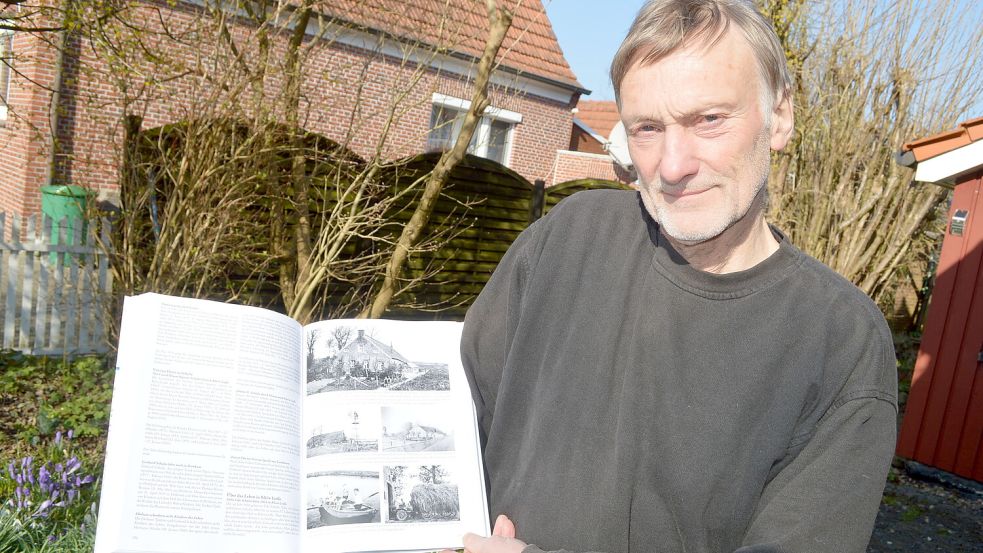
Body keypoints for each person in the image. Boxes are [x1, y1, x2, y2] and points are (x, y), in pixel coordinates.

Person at [456, 1, 897, 552]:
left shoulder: (840, 340)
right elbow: (453, 415)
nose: (671, 165)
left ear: (779, 116)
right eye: (646, 128)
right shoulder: (565, 241)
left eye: (708, 120)